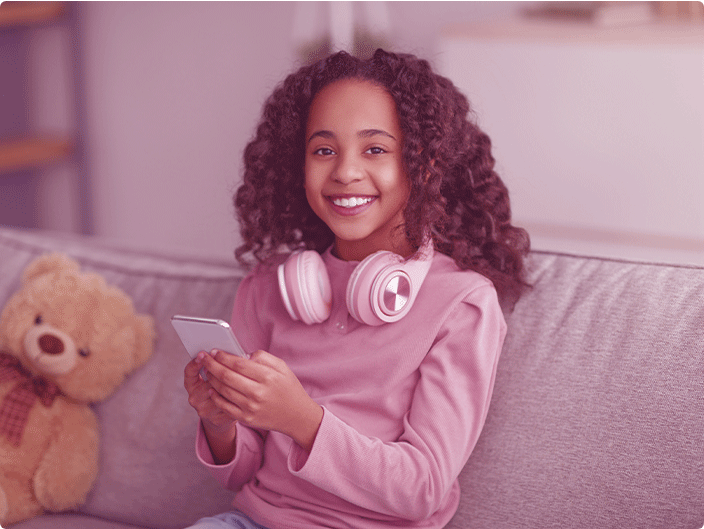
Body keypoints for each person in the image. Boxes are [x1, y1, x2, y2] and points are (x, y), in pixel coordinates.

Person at [184, 49, 529, 529]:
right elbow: (241, 471)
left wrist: (301, 419)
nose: (345, 171)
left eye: (375, 149)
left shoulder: (460, 303)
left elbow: (421, 490)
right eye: (324, 150)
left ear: (423, 165)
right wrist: (218, 420)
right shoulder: (267, 288)